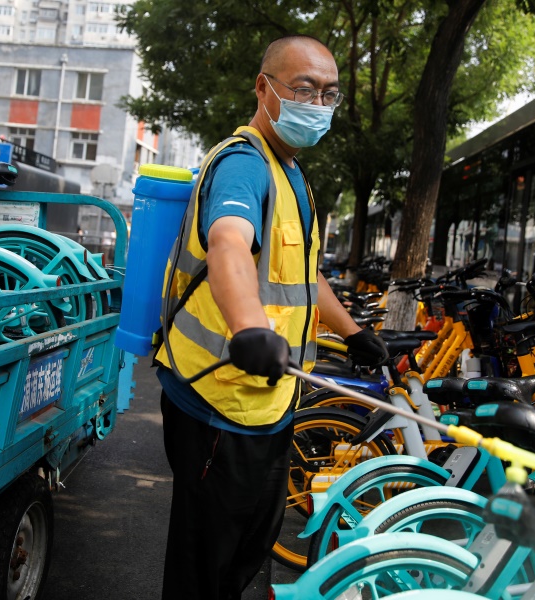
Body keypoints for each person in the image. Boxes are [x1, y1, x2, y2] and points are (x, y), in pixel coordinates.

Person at [153, 34, 389, 599]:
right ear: (264, 88)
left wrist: (353, 332)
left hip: (270, 402)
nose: (318, 104)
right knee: (204, 570)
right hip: (218, 401)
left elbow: (304, 275)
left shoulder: (292, 174)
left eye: (329, 93)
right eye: (303, 89)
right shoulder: (243, 164)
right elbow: (228, 243)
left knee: (247, 556)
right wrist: (250, 327)